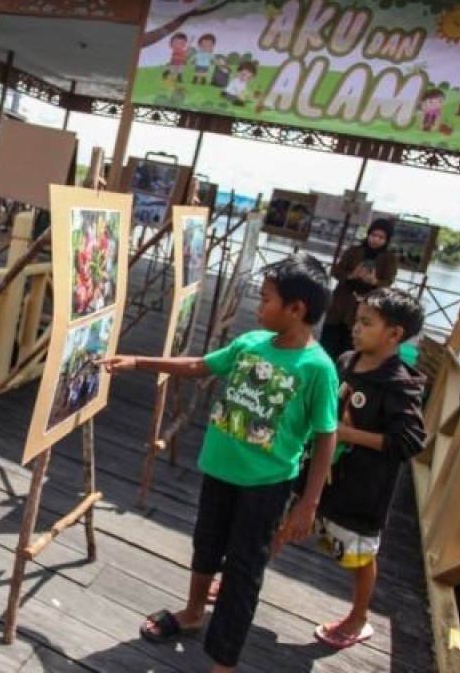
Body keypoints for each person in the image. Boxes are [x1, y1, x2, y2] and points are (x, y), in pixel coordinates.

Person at [102, 253, 340, 673]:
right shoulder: (250, 344)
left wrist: (309, 503)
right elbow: (200, 366)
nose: (257, 305)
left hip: (266, 486)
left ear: (296, 309)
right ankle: (194, 612)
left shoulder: (318, 369)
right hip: (219, 472)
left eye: (265, 299)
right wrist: (139, 362)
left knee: (244, 571)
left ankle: (223, 661)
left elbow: (326, 436)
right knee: (207, 545)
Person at [311, 288, 426, 649]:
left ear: (394, 334)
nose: (355, 328)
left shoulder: (400, 386)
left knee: (358, 556)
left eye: (366, 323)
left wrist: (349, 434)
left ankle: (359, 617)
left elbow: (409, 442)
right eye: (356, 320)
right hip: (320, 473)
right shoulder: (346, 361)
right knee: (284, 523)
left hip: (362, 489)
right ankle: (238, 579)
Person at [320, 218, 399, 362]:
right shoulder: (354, 251)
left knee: (350, 348)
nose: (375, 240)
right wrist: (351, 275)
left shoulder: (389, 259)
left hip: (365, 308)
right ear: (368, 234)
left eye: (381, 237)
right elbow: (335, 270)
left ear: (387, 240)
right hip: (341, 305)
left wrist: (374, 281)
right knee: (328, 344)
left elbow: (388, 282)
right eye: (373, 235)